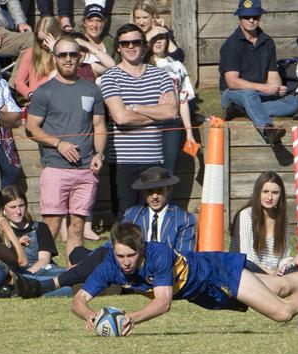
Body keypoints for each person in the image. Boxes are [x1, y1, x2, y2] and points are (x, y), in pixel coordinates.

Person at [70, 222, 298, 335]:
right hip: (205, 292)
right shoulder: (110, 264)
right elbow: (79, 299)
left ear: (141, 250)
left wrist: (130, 319)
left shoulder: (158, 255)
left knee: (281, 312)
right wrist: (89, 314)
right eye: (120, 256)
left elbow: (163, 303)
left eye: (131, 257)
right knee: (281, 285)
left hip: (217, 273)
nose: (125, 263)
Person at [15, 166, 197, 298]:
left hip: (158, 272)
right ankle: (109, 284)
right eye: (150, 192)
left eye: (159, 191)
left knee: (95, 262)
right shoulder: (133, 213)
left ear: (168, 190)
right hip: (126, 265)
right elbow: (113, 244)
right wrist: (91, 259)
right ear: (143, 193)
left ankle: (45, 285)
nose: (155, 196)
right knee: (80, 253)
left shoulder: (184, 219)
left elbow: (184, 256)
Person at [25, 36, 106, 264]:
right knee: (52, 224)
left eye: (73, 54)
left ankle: (73, 273)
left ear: (80, 57)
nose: (68, 59)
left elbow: (99, 126)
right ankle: (43, 270)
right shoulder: (44, 92)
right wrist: (58, 143)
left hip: (86, 169)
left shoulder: (92, 90)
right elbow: (32, 127)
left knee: (78, 225)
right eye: (63, 55)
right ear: (54, 57)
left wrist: (99, 154)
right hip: (55, 168)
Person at [100, 23, 177, 218]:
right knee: (125, 218)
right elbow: (120, 117)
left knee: (153, 217)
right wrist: (155, 113)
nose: (131, 46)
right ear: (118, 47)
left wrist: (136, 108)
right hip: (123, 162)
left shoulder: (160, 75)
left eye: (136, 42)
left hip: (154, 159)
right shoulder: (111, 77)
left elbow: (171, 112)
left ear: (144, 45)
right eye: (125, 43)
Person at [218, 0, 298, 145]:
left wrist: (277, 88)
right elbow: (232, 81)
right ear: (239, 18)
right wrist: (263, 87)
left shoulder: (267, 41)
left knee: (293, 102)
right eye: (246, 17)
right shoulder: (231, 45)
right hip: (233, 93)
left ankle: (242, 111)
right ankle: (268, 130)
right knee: (250, 95)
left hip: (260, 94)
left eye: (255, 16)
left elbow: (273, 74)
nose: (251, 20)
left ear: (260, 17)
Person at [0, 185, 71, 297]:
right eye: (13, 207)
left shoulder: (40, 228)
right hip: (18, 276)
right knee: (67, 287)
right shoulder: (1, 233)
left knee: (71, 274)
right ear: (3, 210)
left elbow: (44, 259)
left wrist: (28, 276)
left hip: (42, 270)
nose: (18, 211)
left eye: (21, 206)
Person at [145, 27, 196, 175]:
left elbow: (183, 99)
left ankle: (167, 199)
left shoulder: (177, 66)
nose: (158, 41)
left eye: (162, 37)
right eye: (154, 38)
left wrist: (189, 133)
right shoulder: (141, 65)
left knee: (168, 171)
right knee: (148, 171)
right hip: (148, 122)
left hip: (172, 124)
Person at [229, 172, 292, 275]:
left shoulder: (284, 220)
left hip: (275, 276)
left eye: (275, 193)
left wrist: (287, 264)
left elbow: (284, 256)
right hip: (249, 274)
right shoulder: (246, 215)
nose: (270, 197)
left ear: (281, 195)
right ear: (258, 193)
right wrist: (270, 272)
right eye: (265, 192)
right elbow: (247, 258)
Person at [14, 16, 61, 100]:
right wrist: (30, 94)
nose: (43, 43)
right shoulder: (31, 52)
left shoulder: (65, 53)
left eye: (47, 39)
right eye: (40, 39)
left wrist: (56, 50)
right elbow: (18, 81)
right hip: (36, 100)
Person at [0, 66, 25, 188]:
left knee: (13, 171)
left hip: (1, 132)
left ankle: (2, 205)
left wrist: (0, 115)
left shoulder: (1, 83)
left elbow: (15, 118)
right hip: (2, 125)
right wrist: (2, 113)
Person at [76, 4, 117, 79]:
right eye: (90, 20)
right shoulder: (76, 41)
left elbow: (116, 68)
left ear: (104, 23)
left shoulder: (111, 42)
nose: (94, 25)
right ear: (84, 23)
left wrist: (87, 44)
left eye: (98, 21)